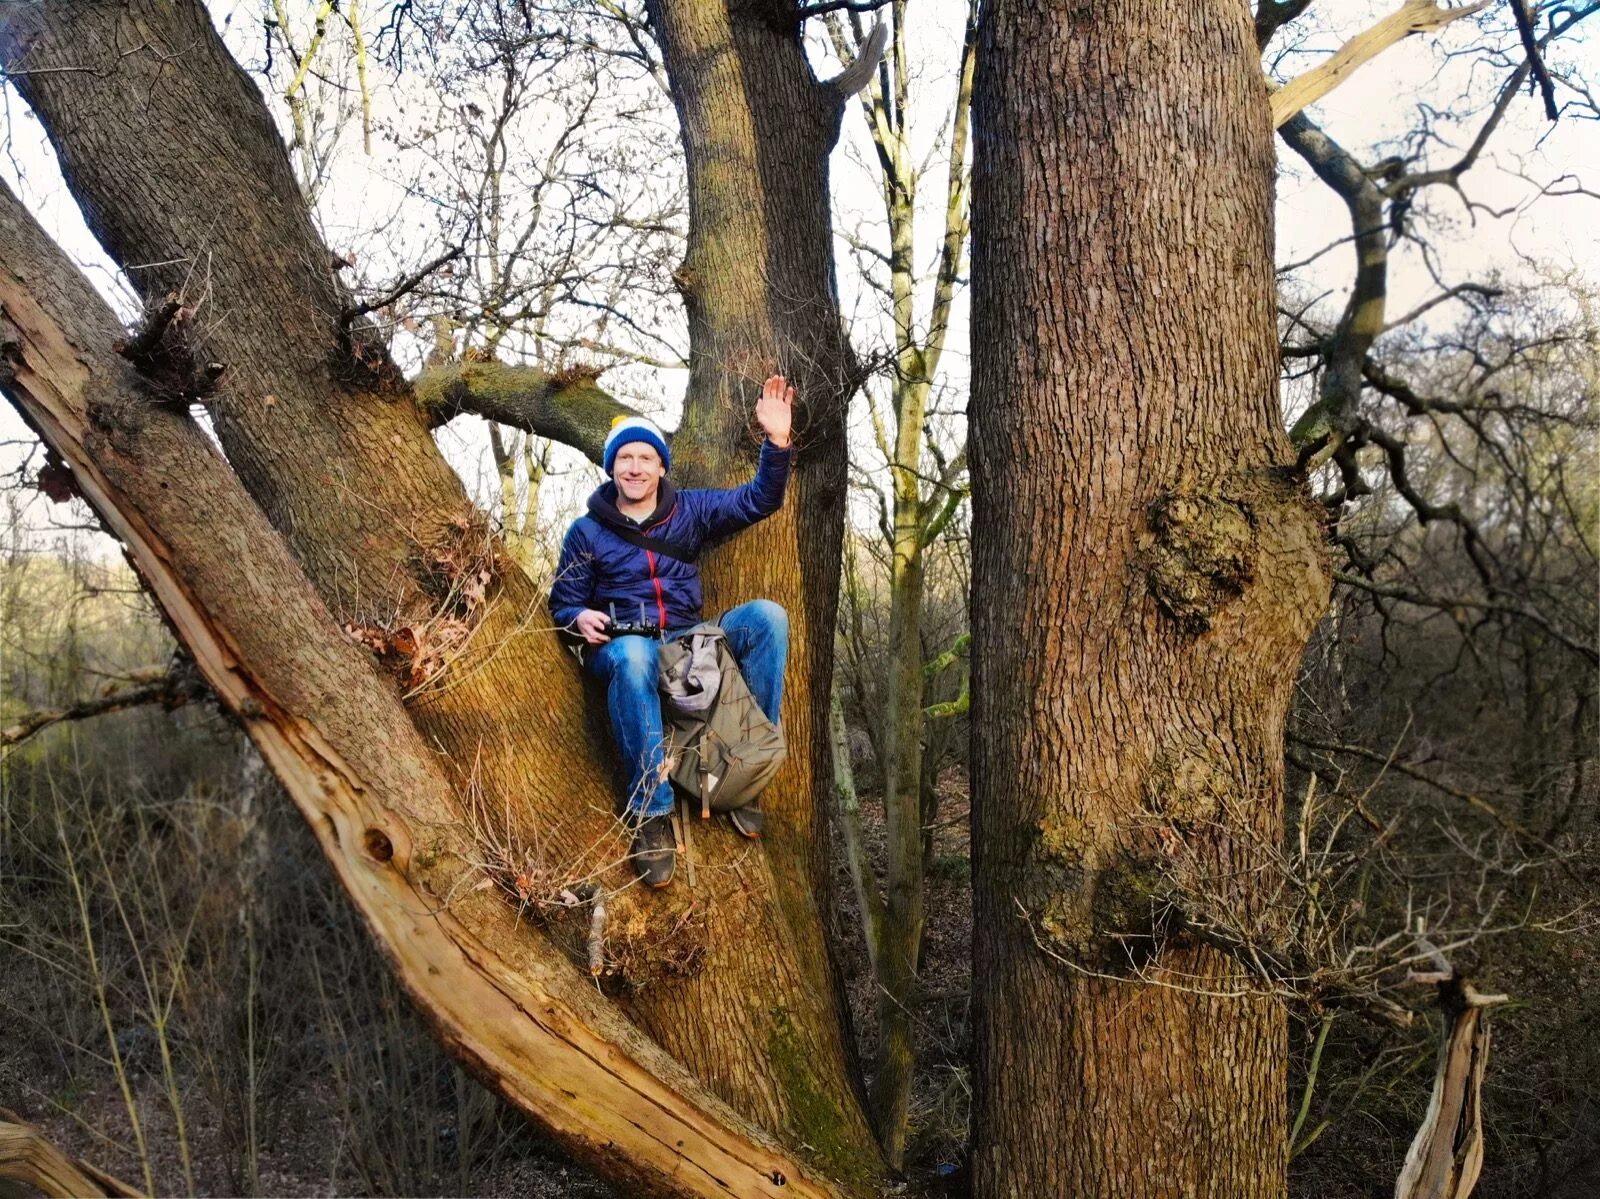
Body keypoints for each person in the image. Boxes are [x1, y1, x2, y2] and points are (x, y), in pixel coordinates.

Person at [549, 375, 796, 888]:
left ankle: (747, 765)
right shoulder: (585, 532)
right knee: (636, 654)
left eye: (645, 458)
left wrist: (777, 444)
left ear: (661, 466)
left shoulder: (692, 510)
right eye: (625, 459)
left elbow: (758, 501)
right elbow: (564, 602)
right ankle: (651, 810)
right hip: (624, 649)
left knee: (767, 617)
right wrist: (579, 618)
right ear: (612, 468)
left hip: (688, 640)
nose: (635, 468)